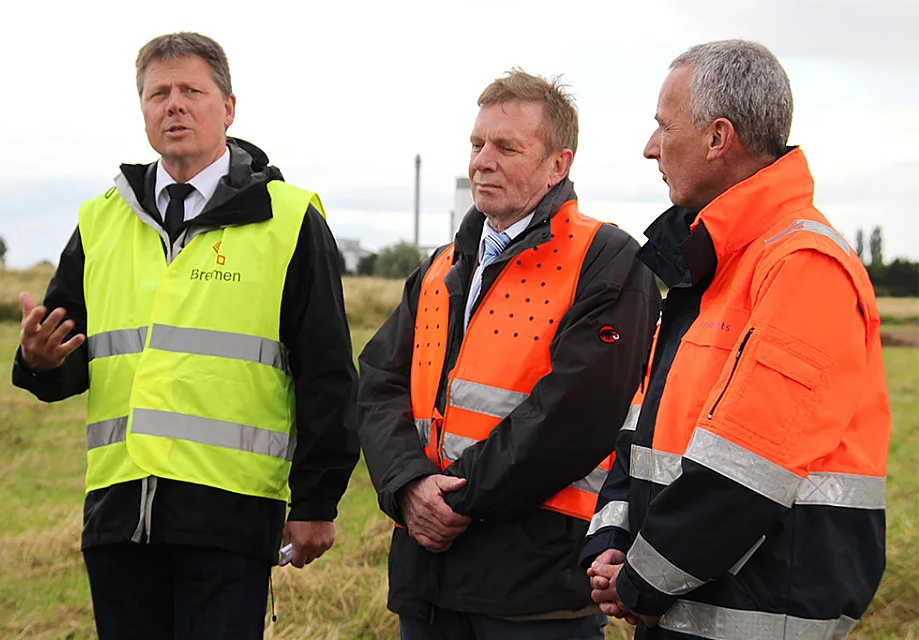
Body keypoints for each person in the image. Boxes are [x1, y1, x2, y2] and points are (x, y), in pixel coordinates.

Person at [12, 32, 359, 640]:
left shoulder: (290, 220)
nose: (173, 105)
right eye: (158, 93)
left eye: (191, 91)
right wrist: (40, 362)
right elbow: (72, 356)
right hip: (119, 516)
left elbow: (328, 372)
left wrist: (315, 502)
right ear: (142, 111)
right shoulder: (100, 221)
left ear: (228, 108)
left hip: (230, 514)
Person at [582, 40, 890, 640]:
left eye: (663, 128)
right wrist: (613, 540)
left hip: (755, 615)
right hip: (682, 607)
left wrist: (641, 579)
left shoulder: (802, 266)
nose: (650, 149)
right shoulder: (713, 266)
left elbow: (744, 473)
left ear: (718, 139)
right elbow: (643, 436)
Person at [356, 69, 661, 639]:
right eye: (477, 144)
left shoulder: (609, 260)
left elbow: (574, 414)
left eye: (506, 147)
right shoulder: (442, 265)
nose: (482, 161)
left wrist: (454, 501)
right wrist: (407, 485)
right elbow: (378, 379)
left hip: (536, 589)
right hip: (428, 581)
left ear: (558, 165)